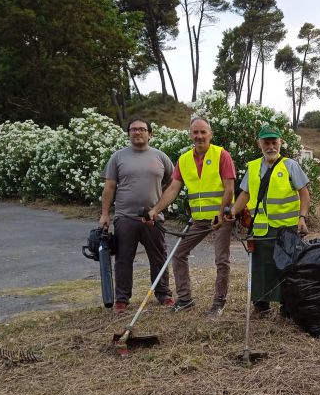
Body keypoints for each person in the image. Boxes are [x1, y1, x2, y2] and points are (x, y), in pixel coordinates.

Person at [148, 117, 235, 317]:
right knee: (179, 254)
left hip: (220, 218)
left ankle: (219, 303)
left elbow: (229, 189)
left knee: (221, 260)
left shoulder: (222, 155)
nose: (199, 136)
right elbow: (173, 189)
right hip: (199, 219)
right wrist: (155, 210)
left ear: (210, 134)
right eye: (195, 133)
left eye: (203, 132)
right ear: (190, 135)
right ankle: (185, 299)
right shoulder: (184, 160)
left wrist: (221, 213)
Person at [228, 125, 310, 315]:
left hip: (286, 229)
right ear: (260, 144)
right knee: (261, 267)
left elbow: (304, 194)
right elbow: (246, 194)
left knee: (286, 267)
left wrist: (302, 217)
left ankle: (287, 305)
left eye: (274, 142)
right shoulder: (253, 166)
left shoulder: (290, 165)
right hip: (261, 229)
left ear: (280, 143)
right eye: (266, 142)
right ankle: (261, 304)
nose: (271, 146)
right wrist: (232, 211)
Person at [100, 118, 175, 313]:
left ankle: (164, 294)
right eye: (133, 129)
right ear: (128, 134)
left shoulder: (160, 157)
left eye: (142, 129)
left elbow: (172, 184)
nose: (137, 132)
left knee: (159, 257)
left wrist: (158, 206)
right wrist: (105, 214)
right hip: (125, 217)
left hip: (153, 218)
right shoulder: (118, 157)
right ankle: (122, 299)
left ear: (150, 134)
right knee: (124, 258)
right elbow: (109, 187)